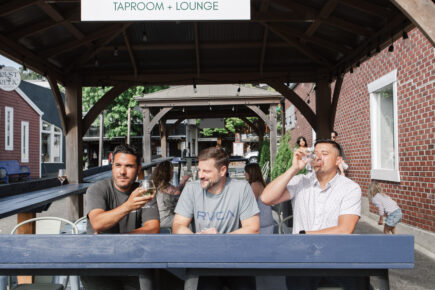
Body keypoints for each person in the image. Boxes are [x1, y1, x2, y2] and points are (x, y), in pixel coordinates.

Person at [173, 147, 260, 290]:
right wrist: (197, 238)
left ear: (222, 170)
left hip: (236, 259)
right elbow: (178, 226)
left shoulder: (242, 188)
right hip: (202, 259)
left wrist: (220, 239)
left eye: (206, 171)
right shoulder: (191, 189)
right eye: (199, 170)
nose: (200, 175)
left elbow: (253, 228)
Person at [83, 144, 160, 290]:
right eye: (118, 165)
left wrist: (118, 239)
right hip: (99, 263)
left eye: (129, 166)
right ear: (112, 167)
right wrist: (128, 206)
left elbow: (153, 228)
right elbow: (98, 223)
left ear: (138, 169)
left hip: (134, 261)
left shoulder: (144, 191)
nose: (122, 172)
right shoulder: (97, 189)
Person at [261, 139, 361, 234]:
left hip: (331, 250)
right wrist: (294, 168)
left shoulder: (350, 188)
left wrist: (305, 235)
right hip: (301, 249)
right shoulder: (301, 181)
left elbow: (345, 230)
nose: (318, 157)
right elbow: (266, 198)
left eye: (324, 154)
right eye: (315, 154)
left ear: (338, 160)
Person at [150, 160, 191, 229]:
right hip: (165, 219)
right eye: (171, 171)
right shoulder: (167, 187)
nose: (172, 173)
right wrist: (183, 181)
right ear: (167, 173)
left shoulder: (154, 184)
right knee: (189, 220)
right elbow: (177, 192)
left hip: (154, 218)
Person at [245, 163, 274, 234]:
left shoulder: (254, 185)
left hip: (261, 223)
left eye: (246, 172)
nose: (245, 174)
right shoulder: (262, 183)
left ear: (250, 173)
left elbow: (251, 205)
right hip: (268, 221)